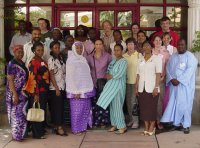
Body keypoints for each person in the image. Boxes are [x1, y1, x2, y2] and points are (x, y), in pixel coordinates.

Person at [161, 39, 198, 134]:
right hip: (174, 86)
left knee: (185, 106)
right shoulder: (173, 56)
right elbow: (168, 68)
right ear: (176, 45)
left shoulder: (191, 57)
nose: (180, 46)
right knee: (175, 104)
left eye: (182, 44)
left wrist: (179, 80)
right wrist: (171, 79)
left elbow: (190, 71)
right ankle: (176, 124)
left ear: (185, 45)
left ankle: (186, 125)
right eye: (179, 45)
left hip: (185, 87)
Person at [65, 41, 95, 135]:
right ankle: (76, 129)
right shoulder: (70, 60)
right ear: (74, 49)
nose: (79, 50)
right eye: (77, 48)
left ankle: (83, 127)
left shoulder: (83, 59)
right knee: (76, 112)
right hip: (76, 91)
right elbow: (70, 77)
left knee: (85, 109)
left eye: (81, 48)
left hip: (85, 90)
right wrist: (75, 91)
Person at [97, 44, 128, 134]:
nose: (116, 52)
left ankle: (122, 126)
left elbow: (120, 73)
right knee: (112, 107)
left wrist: (111, 76)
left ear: (122, 51)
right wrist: (109, 75)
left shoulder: (124, 61)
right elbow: (108, 72)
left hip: (118, 86)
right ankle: (115, 124)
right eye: (115, 50)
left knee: (118, 106)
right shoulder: (113, 61)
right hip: (111, 86)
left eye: (118, 50)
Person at [24, 42, 50, 139]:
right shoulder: (33, 62)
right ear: (34, 50)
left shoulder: (42, 60)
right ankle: (37, 134)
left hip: (44, 90)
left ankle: (40, 130)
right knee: (37, 111)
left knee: (41, 110)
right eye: (38, 50)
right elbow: (32, 78)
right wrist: (35, 94)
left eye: (42, 50)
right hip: (37, 91)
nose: (40, 51)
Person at [136, 41, 162, 136]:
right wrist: (136, 88)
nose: (146, 47)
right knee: (144, 108)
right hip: (141, 88)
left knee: (151, 108)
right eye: (144, 46)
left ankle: (152, 126)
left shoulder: (156, 59)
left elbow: (158, 74)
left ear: (151, 47)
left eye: (148, 46)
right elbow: (137, 75)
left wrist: (156, 87)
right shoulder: (140, 59)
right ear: (142, 48)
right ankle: (146, 126)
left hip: (152, 88)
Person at [87, 39, 112, 128]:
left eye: (100, 44)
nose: (98, 46)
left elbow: (111, 68)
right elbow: (87, 70)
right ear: (94, 45)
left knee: (103, 102)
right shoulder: (89, 57)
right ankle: (95, 121)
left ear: (102, 45)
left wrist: (108, 76)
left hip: (104, 83)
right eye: (96, 44)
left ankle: (103, 121)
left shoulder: (108, 56)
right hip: (93, 83)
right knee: (94, 103)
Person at [6, 45, 28, 141]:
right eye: (18, 52)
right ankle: (16, 135)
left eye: (22, 52)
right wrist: (14, 95)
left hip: (23, 93)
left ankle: (20, 134)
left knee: (21, 114)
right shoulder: (11, 64)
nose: (20, 53)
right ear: (14, 53)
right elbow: (10, 80)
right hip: (14, 93)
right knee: (15, 114)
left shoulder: (22, 63)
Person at [48, 41, 67, 136]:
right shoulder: (51, 59)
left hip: (62, 86)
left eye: (58, 47)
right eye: (55, 47)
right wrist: (56, 88)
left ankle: (58, 126)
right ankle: (58, 127)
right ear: (51, 49)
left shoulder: (61, 58)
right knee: (57, 108)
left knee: (60, 108)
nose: (57, 49)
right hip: (55, 88)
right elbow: (51, 75)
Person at [152, 36, 170, 129]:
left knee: (160, 101)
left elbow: (168, 66)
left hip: (161, 80)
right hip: (151, 80)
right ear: (153, 42)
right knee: (151, 101)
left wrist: (164, 76)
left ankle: (158, 120)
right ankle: (152, 121)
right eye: (156, 40)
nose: (158, 41)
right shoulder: (150, 52)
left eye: (159, 40)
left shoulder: (165, 53)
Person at [123, 38, 141, 129]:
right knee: (128, 102)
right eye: (128, 44)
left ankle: (136, 121)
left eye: (131, 44)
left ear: (135, 45)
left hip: (135, 82)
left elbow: (141, 70)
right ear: (126, 45)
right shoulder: (124, 56)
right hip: (126, 83)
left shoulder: (139, 55)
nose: (130, 46)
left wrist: (138, 83)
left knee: (134, 103)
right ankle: (130, 120)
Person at [162, 32, 177, 113]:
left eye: (168, 38)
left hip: (171, 75)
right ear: (162, 39)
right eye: (164, 38)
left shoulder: (174, 49)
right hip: (162, 74)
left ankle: (169, 115)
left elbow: (176, 63)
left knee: (169, 96)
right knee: (163, 96)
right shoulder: (160, 48)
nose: (166, 40)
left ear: (171, 39)